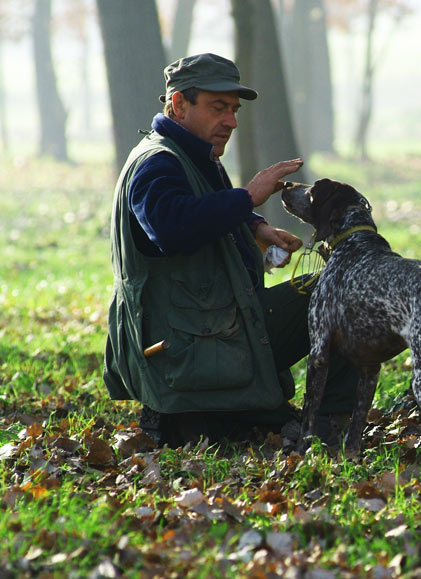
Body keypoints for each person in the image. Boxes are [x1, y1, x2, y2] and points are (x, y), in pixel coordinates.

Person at [103, 53, 357, 446]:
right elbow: (170, 228)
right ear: (178, 105)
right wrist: (247, 199)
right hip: (187, 348)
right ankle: (324, 432)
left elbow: (202, 207)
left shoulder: (194, 154)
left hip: (216, 332)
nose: (231, 121)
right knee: (346, 292)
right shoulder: (157, 163)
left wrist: (255, 227)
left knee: (345, 286)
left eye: (234, 110)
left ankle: (322, 424)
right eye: (218, 107)